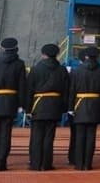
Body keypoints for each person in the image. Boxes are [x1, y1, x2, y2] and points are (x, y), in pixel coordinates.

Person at [0, 37, 27, 172]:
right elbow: (22, 85)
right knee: (5, 135)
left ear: (3, 48)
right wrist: (21, 104)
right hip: (11, 102)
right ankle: (2, 163)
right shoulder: (20, 64)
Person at [26, 43, 69, 171]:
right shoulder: (62, 70)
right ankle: (46, 164)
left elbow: (29, 90)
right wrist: (63, 107)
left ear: (43, 54)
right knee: (49, 137)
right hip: (54, 106)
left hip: (38, 105)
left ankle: (35, 163)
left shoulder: (36, 69)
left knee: (36, 137)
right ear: (56, 54)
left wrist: (28, 108)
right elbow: (66, 90)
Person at [67, 46, 100, 170]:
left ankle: (79, 164)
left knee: (79, 136)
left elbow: (72, 91)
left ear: (86, 56)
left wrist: (70, 107)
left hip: (80, 105)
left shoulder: (77, 71)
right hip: (95, 106)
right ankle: (87, 163)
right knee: (91, 136)